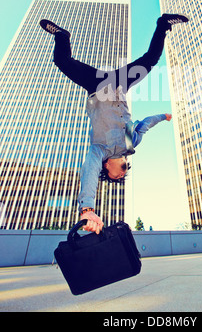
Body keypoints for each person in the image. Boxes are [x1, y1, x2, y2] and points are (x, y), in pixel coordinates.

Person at [40, 12, 188, 234]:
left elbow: (89, 170)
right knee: (150, 60)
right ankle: (163, 24)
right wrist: (162, 117)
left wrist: (87, 207)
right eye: (122, 175)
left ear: (106, 166)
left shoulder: (99, 150)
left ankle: (62, 36)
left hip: (97, 86)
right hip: (119, 85)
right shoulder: (131, 144)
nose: (121, 175)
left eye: (115, 176)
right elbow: (145, 123)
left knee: (61, 61)